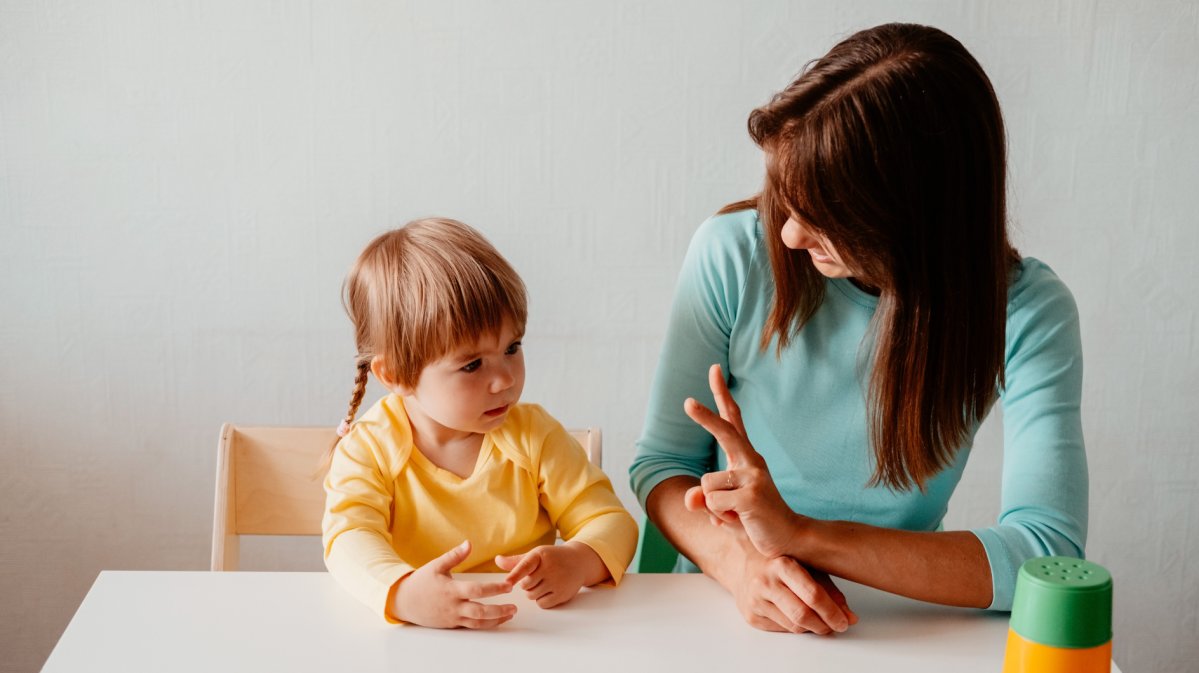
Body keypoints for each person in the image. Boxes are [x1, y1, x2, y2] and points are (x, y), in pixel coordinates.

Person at [630, 23, 1087, 635]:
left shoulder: (1027, 313)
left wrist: (802, 537)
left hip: (898, 625)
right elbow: (662, 465)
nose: (789, 234)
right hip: (723, 617)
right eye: (786, 201)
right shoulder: (731, 255)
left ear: (909, 220)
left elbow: (1048, 556)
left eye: (822, 216)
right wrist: (743, 568)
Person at [324, 218, 638, 628]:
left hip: (527, 633)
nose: (505, 379)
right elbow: (347, 539)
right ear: (396, 374)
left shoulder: (535, 435)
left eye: (512, 347)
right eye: (472, 365)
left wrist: (579, 561)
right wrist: (402, 593)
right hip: (417, 642)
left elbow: (612, 521)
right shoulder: (371, 448)